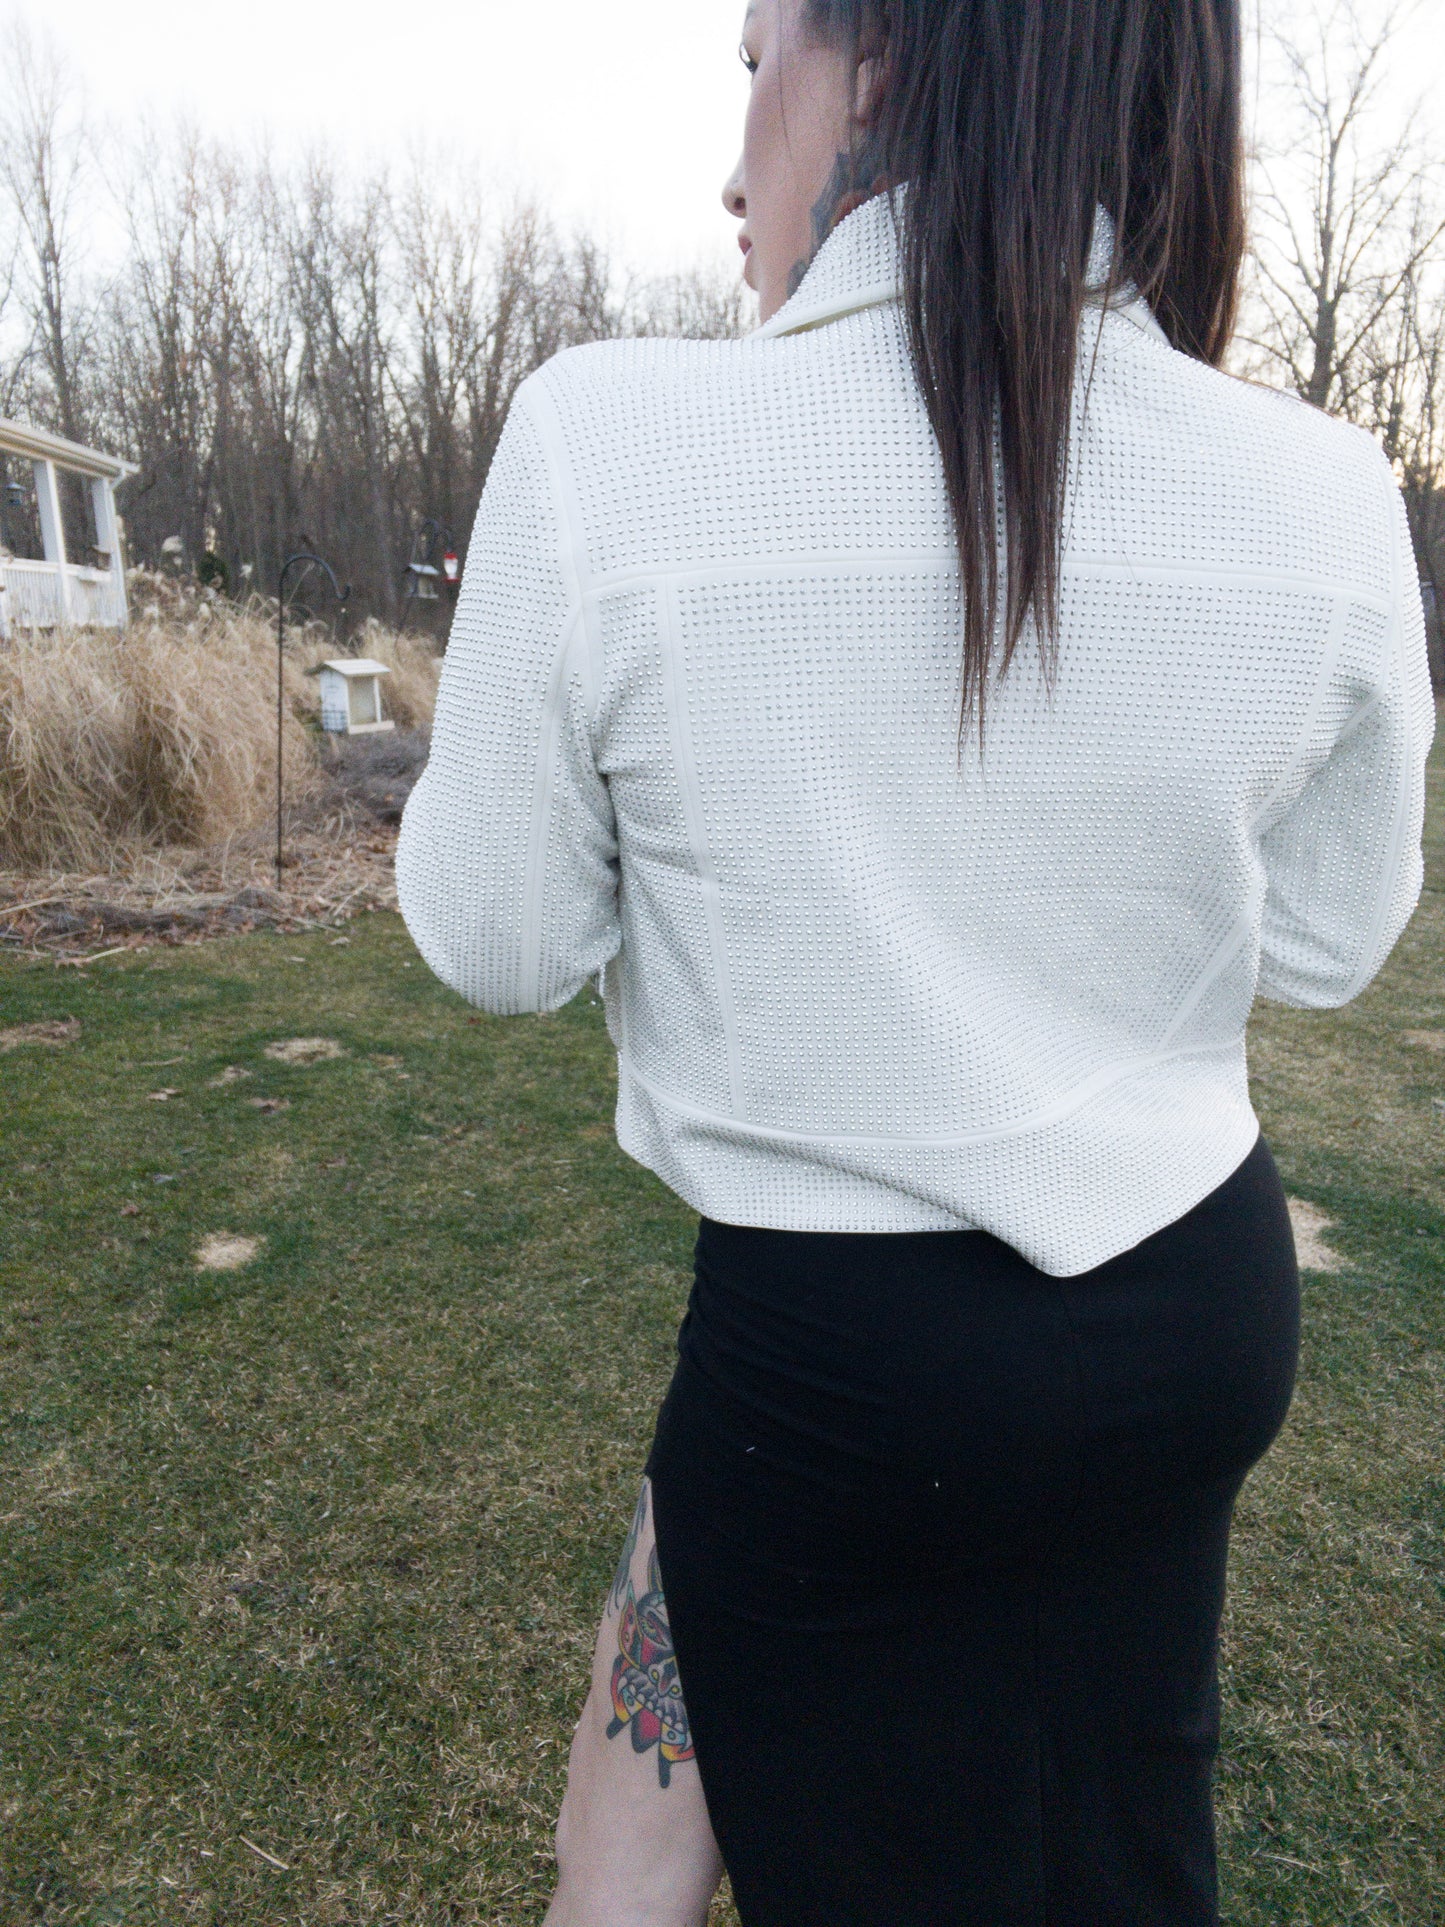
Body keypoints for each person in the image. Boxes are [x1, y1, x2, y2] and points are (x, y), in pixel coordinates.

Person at [396, 0, 1434, 1917]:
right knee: (1109, 1824)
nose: (733, 164)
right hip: (1186, 1311)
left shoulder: (613, 442)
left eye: (754, 62)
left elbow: (497, 937)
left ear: (876, 59)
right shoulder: (1321, 489)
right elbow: (1322, 939)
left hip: (839, 1366)